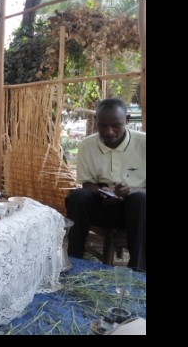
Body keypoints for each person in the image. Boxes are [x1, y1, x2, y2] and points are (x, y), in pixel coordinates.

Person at [65, 98, 146, 271]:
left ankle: (139, 272)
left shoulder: (143, 144)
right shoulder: (87, 145)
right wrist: (103, 192)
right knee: (77, 197)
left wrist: (131, 190)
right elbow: (87, 184)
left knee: (141, 199)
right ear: (96, 122)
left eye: (116, 125)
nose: (109, 132)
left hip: (136, 211)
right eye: (103, 126)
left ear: (127, 119)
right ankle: (74, 262)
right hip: (102, 205)